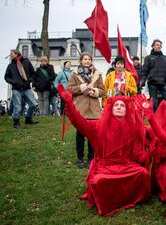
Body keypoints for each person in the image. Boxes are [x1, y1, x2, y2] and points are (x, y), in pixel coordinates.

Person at [58, 86, 150, 216]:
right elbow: (80, 122)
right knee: (100, 180)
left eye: (122, 105)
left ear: (126, 110)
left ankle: (130, 199)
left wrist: (147, 111)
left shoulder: (132, 127)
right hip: (105, 166)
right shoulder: (98, 125)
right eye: (116, 105)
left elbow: (149, 131)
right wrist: (69, 104)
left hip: (125, 165)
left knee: (143, 173)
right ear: (111, 109)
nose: (118, 107)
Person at [67, 52, 104, 168]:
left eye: (89, 59)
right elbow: (70, 89)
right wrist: (83, 87)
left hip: (93, 109)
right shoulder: (74, 74)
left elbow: (102, 90)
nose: (87, 61)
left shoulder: (97, 74)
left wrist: (95, 92)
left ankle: (91, 158)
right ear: (81, 61)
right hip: (81, 109)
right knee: (80, 135)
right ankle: (80, 158)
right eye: (85, 59)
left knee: (92, 136)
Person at [4, 49, 39, 128]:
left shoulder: (26, 62)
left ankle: (28, 119)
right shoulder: (10, 65)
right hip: (16, 89)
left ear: (17, 54)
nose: (11, 55)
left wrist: (29, 80)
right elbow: (6, 77)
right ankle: (16, 123)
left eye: (12, 53)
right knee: (18, 106)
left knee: (33, 104)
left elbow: (33, 73)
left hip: (26, 88)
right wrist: (13, 82)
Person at [141, 39, 166, 112]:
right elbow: (145, 71)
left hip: (164, 83)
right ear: (153, 46)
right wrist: (143, 81)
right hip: (152, 83)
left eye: (160, 45)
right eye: (157, 45)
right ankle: (154, 119)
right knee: (154, 103)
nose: (159, 46)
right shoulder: (148, 58)